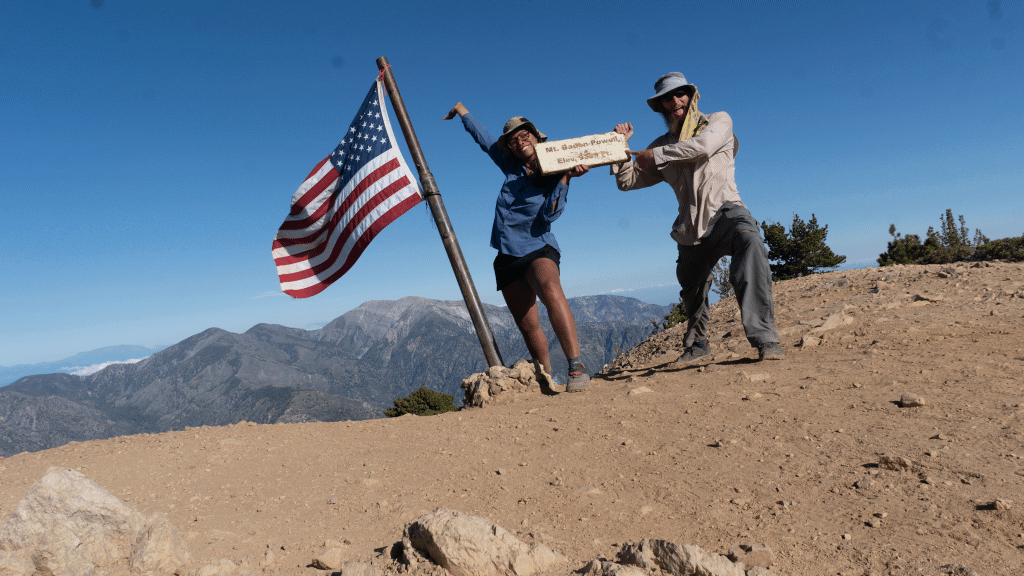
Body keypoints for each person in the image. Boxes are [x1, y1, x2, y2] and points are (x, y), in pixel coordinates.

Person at [611, 72, 784, 363]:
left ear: (692, 96)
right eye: (667, 98)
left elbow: (702, 146)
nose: (675, 100)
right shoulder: (660, 145)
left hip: (727, 211)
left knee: (750, 242)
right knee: (692, 292)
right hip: (690, 228)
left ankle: (765, 338)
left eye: (680, 93)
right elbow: (627, 181)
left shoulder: (718, 121)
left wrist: (656, 155)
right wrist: (618, 147)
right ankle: (697, 343)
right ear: (661, 106)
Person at [444, 102, 592, 391]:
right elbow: (484, 139)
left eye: (525, 135)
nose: (520, 141)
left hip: (538, 246)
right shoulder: (510, 167)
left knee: (550, 290)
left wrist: (565, 179)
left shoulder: (555, 169)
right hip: (507, 255)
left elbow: (550, 215)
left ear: (537, 138)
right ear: (510, 148)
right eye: (514, 139)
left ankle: (576, 366)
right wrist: (462, 110)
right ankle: (546, 376)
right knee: (527, 324)